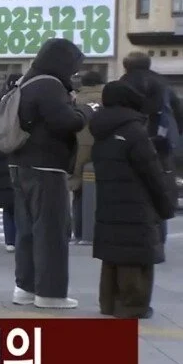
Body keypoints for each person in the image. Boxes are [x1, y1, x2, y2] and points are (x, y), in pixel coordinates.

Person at [9, 38, 93, 309]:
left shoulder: (26, 82)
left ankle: (25, 287)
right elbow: (65, 121)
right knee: (52, 231)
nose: (74, 72)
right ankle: (50, 293)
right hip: (46, 168)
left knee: (27, 231)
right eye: (73, 66)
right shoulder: (50, 85)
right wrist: (84, 111)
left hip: (20, 164)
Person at [89, 80, 176, 319]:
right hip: (137, 203)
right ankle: (132, 305)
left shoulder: (100, 130)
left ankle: (108, 303)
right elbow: (152, 173)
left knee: (113, 254)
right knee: (135, 255)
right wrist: (166, 205)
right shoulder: (134, 131)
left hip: (109, 202)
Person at [120, 51, 183, 245]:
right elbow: (178, 113)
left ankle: (136, 238)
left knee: (133, 190)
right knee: (159, 189)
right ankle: (159, 238)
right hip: (162, 145)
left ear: (126, 65)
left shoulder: (124, 83)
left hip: (132, 143)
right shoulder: (163, 84)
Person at [68, 70, 105, 244]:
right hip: (103, 145)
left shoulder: (76, 99)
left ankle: (80, 232)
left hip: (80, 147)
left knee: (78, 189)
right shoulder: (108, 98)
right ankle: (98, 231)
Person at [0, 73, 22, 253]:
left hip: (2, 153)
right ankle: (19, 238)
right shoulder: (24, 99)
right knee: (20, 203)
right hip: (19, 153)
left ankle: (10, 240)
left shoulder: (0, 101)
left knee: (8, 205)